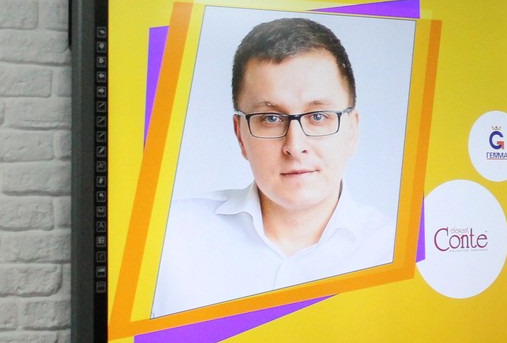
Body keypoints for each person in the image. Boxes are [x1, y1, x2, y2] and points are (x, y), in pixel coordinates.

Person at [152, 17, 395, 317]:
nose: (295, 145)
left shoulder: (394, 251)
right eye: (270, 118)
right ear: (240, 135)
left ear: (352, 130)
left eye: (318, 116)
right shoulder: (167, 238)